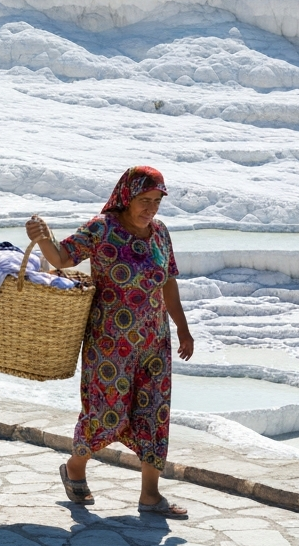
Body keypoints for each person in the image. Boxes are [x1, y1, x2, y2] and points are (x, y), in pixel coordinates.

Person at [26, 166, 194, 517]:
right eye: (144, 200)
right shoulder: (102, 229)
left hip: (154, 342)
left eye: (156, 202)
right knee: (106, 412)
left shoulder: (160, 233)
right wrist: (42, 237)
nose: (151, 209)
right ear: (126, 197)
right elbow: (61, 258)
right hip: (110, 343)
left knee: (154, 414)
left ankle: (150, 495)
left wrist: (181, 328)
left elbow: (168, 283)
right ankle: (75, 468)